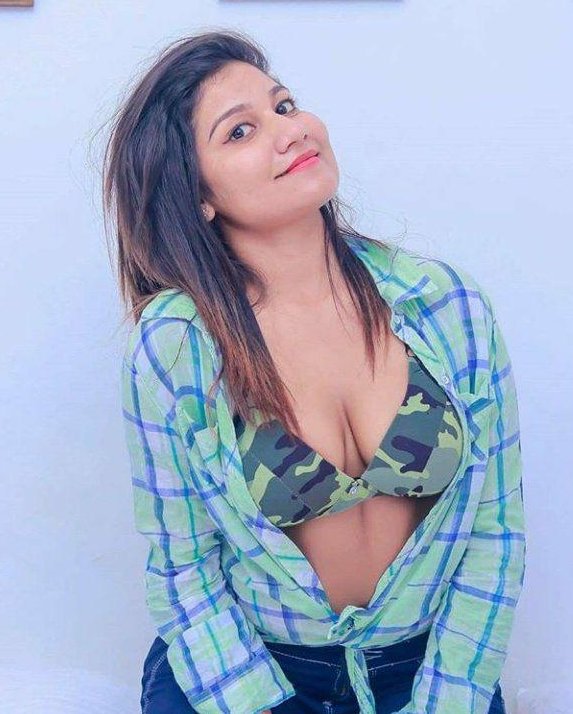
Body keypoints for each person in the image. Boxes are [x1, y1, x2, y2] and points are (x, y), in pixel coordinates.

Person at [105, 28, 526, 714]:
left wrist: (448, 697)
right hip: (248, 668)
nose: (290, 130)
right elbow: (183, 569)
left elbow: (495, 531)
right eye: (240, 131)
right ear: (198, 194)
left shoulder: (444, 303)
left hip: (422, 667)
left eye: (284, 105)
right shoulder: (177, 343)